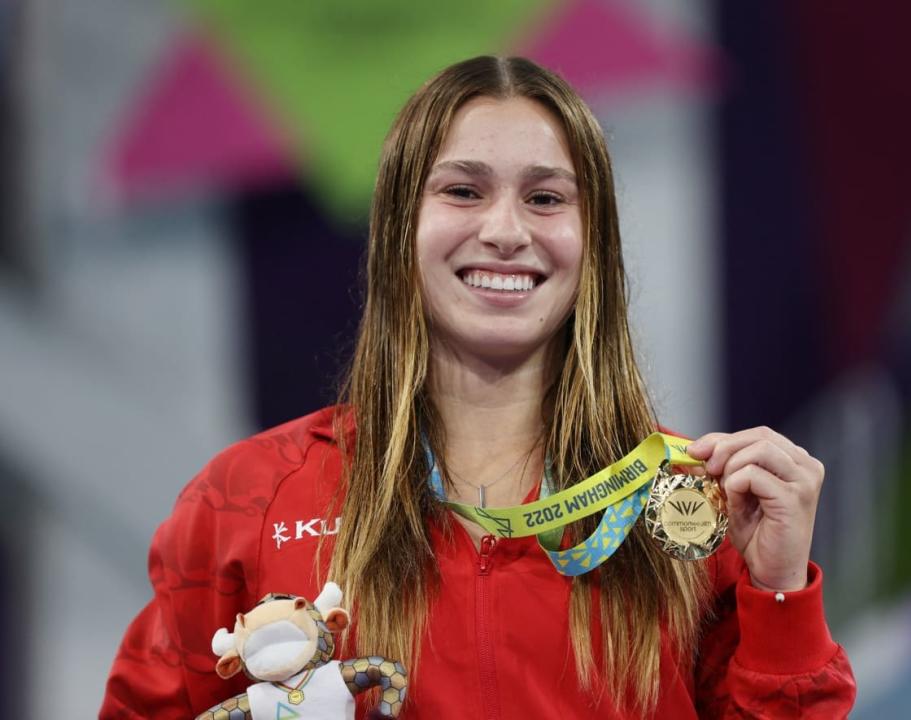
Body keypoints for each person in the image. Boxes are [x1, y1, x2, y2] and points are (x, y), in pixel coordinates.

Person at [100, 56, 855, 719]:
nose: (505, 229)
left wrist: (780, 590)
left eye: (546, 198)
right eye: (463, 191)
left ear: (594, 244)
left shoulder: (689, 507)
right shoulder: (249, 500)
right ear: (401, 227)